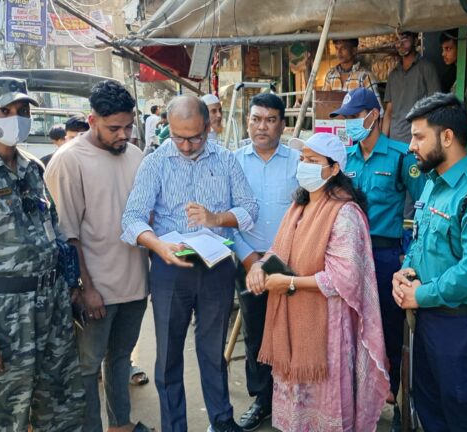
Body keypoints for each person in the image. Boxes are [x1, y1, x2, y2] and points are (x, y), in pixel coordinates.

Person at [121, 95, 258, 432]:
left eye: (195, 137)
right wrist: (157, 246)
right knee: (168, 355)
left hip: (216, 266)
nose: (185, 145)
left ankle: (222, 419)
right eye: (178, 136)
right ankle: (174, 426)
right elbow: (132, 218)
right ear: (167, 127)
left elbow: (249, 209)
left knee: (213, 351)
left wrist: (217, 217)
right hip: (171, 267)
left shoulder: (225, 160)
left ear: (208, 127)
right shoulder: (156, 162)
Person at [246, 132, 390, 431]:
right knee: (296, 400)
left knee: (325, 401)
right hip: (292, 323)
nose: (304, 165)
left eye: (313, 160)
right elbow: (277, 250)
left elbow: (342, 279)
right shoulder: (298, 205)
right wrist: (260, 266)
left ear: (334, 169)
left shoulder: (345, 213)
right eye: (302, 159)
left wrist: (289, 284)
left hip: (327, 326)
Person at [0, 77, 84, 430]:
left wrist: (71, 287)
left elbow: (54, 235)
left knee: (62, 413)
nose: (15, 118)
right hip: (3, 318)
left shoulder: (33, 168)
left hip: (53, 311)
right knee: (5, 418)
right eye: (4, 110)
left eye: (22, 111)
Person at [391, 93, 467, 431]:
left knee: (463, 415)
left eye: (418, 136)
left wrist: (420, 295)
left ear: (447, 137)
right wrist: (403, 274)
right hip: (426, 320)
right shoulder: (432, 185)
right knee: (429, 409)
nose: (411, 145)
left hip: (460, 326)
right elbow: (419, 242)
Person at [44, 80, 151, 432]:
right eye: (113, 128)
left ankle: (120, 425)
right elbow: (66, 237)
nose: (123, 135)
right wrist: (84, 288)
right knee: (88, 368)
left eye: (128, 126)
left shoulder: (136, 155)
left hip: (135, 284)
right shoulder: (68, 161)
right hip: (96, 291)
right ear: (92, 121)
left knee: (120, 360)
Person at [329, 87, 425, 429]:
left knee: (390, 332)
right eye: (346, 119)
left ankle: (398, 402)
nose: (350, 124)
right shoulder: (345, 159)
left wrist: (409, 255)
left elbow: (424, 206)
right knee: (352, 331)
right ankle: (357, 402)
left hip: (385, 255)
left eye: (355, 117)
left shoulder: (400, 157)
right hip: (349, 256)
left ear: (374, 115)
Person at [231, 93, 299, 431]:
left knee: (294, 332)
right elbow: (225, 217)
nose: (263, 126)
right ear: (247, 122)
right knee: (256, 333)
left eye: (270, 120)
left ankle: (296, 397)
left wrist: (283, 259)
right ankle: (263, 400)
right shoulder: (233, 162)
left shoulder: (300, 162)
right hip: (248, 261)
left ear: (282, 125)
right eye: (256, 119)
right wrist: (249, 260)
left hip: (291, 263)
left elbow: (308, 214)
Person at [382, 31, 441, 145]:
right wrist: (383, 142)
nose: (401, 43)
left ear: (415, 40)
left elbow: (436, 108)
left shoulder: (427, 68)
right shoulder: (393, 75)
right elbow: (388, 112)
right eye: (397, 39)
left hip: (419, 142)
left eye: (405, 38)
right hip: (394, 142)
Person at [322, 38, 382, 108]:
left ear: (354, 50)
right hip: (335, 119)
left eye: (343, 48)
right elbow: (324, 104)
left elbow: (377, 109)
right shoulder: (330, 75)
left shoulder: (365, 76)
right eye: (336, 48)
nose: (339, 52)